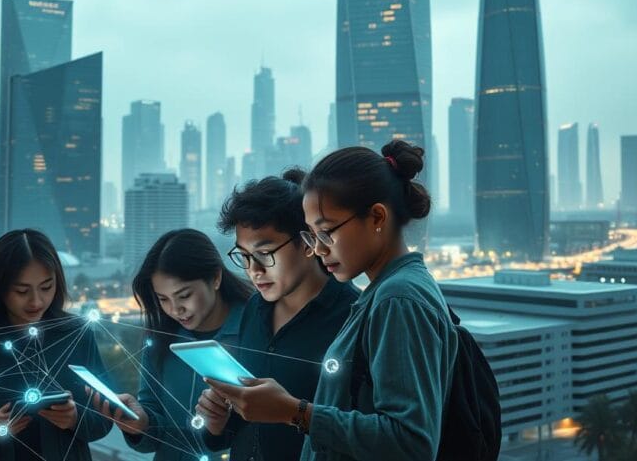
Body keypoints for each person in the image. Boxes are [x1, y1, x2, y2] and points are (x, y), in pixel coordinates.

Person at [204, 141, 459, 461]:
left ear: (377, 217)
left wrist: (294, 412)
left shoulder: (398, 300)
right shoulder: (385, 295)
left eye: (325, 233)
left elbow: (411, 444)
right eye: (312, 235)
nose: (319, 250)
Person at [196, 169, 359, 461]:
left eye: (265, 253)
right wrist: (218, 423)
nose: (253, 270)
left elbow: (371, 436)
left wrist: (292, 411)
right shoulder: (253, 310)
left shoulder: (354, 319)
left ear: (308, 242)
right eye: (243, 256)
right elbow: (247, 424)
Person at [92, 229, 252, 461]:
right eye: (163, 299)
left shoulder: (256, 326)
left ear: (215, 278)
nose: (175, 309)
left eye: (184, 295)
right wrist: (141, 424)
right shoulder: (161, 338)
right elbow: (155, 427)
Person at [0, 229, 112, 460]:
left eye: (46, 287)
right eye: (22, 291)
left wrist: (76, 418)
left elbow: (106, 418)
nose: (36, 301)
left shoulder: (76, 334)